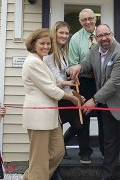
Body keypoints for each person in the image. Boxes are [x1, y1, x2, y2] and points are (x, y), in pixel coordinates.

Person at [69, 24, 120, 180]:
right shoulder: (95, 50)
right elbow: (88, 64)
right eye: (99, 35)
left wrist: (94, 100)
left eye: (106, 34)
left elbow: (114, 83)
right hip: (108, 105)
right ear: (96, 38)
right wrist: (79, 67)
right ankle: (107, 175)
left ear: (112, 34)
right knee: (110, 143)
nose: (103, 38)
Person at [21, 28, 79, 180]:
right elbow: (50, 89)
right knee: (39, 160)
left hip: (51, 116)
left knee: (58, 152)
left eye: (48, 43)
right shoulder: (33, 62)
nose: (46, 47)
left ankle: (30, 177)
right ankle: (35, 177)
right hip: (38, 116)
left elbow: (51, 83)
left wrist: (68, 86)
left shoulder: (40, 60)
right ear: (33, 44)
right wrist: (72, 98)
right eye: (42, 43)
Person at [44, 21, 84, 161]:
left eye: (67, 33)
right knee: (58, 126)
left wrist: (74, 72)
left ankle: (63, 144)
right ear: (54, 33)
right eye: (61, 32)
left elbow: (64, 71)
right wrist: (70, 89)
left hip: (66, 92)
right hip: (56, 96)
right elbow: (55, 79)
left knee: (78, 125)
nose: (64, 36)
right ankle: (60, 153)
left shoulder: (63, 50)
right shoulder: (49, 53)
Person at [68, 8, 103, 164]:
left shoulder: (103, 34)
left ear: (95, 19)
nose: (88, 22)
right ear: (80, 21)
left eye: (90, 18)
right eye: (84, 20)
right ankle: (85, 153)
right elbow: (73, 63)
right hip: (84, 81)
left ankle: (105, 150)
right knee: (84, 118)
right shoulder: (75, 39)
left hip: (102, 81)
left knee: (104, 117)